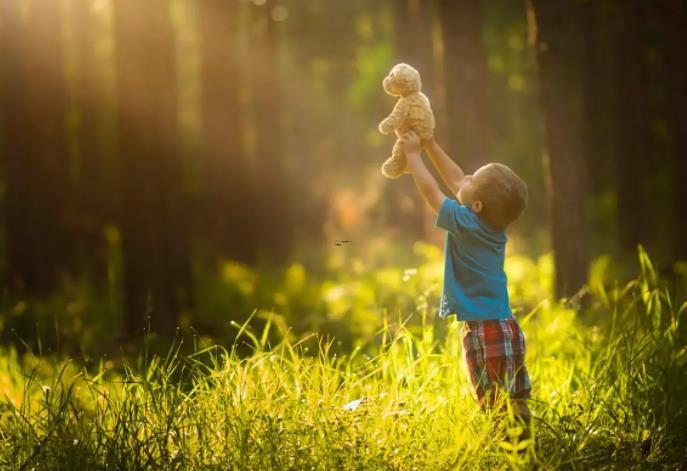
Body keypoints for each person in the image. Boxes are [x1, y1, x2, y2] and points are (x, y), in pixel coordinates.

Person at [399, 130, 532, 437]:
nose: (466, 176)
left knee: (496, 404)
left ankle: (511, 452)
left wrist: (413, 156)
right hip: (506, 326)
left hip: (484, 329)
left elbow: (432, 192)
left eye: (473, 179)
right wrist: (431, 143)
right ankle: (526, 450)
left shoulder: (465, 223)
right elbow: (459, 180)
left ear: (477, 206)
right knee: (515, 397)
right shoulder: (489, 226)